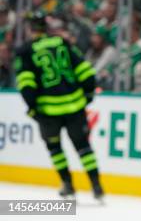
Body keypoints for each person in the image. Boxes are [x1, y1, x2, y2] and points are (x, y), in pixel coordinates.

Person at [14, 12, 104, 201]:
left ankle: (68, 184)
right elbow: (84, 69)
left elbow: (26, 82)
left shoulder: (26, 50)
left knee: (55, 148)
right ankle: (96, 186)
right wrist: (88, 91)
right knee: (83, 146)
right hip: (74, 105)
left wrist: (31, 106)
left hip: (49, 110)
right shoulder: (61, 42)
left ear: (31, 29)